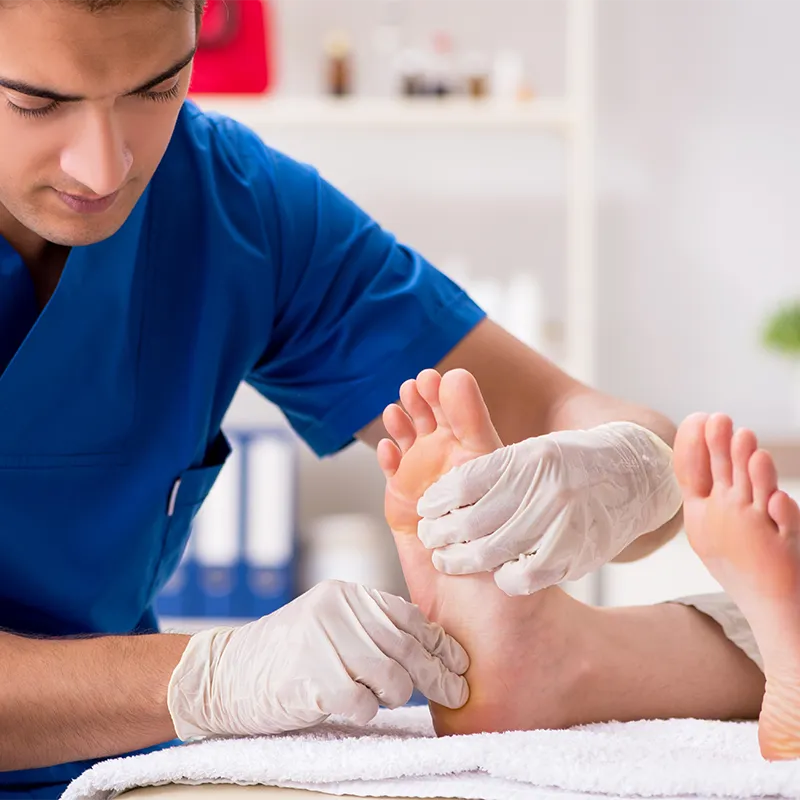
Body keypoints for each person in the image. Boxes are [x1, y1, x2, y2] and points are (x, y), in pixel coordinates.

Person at [0, 0, 740, 795]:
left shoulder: (232, 208)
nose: (105, 169)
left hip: (114, 776)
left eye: (157, 87)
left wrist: (631, 473)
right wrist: (206, 677)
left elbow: (569, 411)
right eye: (36, 103)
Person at [377, 368, 794, 759]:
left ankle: (558, 663)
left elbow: (557, 401)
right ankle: (557, 658)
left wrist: (636, 461)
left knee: (777, 623)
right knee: (772, 628)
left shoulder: (359, 300)